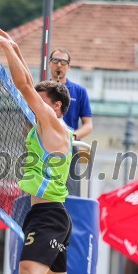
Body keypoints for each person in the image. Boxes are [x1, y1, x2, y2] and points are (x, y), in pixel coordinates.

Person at [0, 23, 81, 274]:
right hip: (49, 214)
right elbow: (28, 84)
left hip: (49, 216)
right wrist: (13, 46)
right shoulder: (47, 126)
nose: (32, 102)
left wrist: (9, 50)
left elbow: (26, 86)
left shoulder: (53, 125)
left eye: (41, 99)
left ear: (55, 106)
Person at [49, 48, 92, 196]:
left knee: (71, 193)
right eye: (55, 61)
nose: (59, 65)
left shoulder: (79, 91)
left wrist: (72, 136)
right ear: (49, 64)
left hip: (69, 148)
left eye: (63, 62)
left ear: (69, 66)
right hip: (46, 146)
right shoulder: (41, 90)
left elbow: (88, 125)